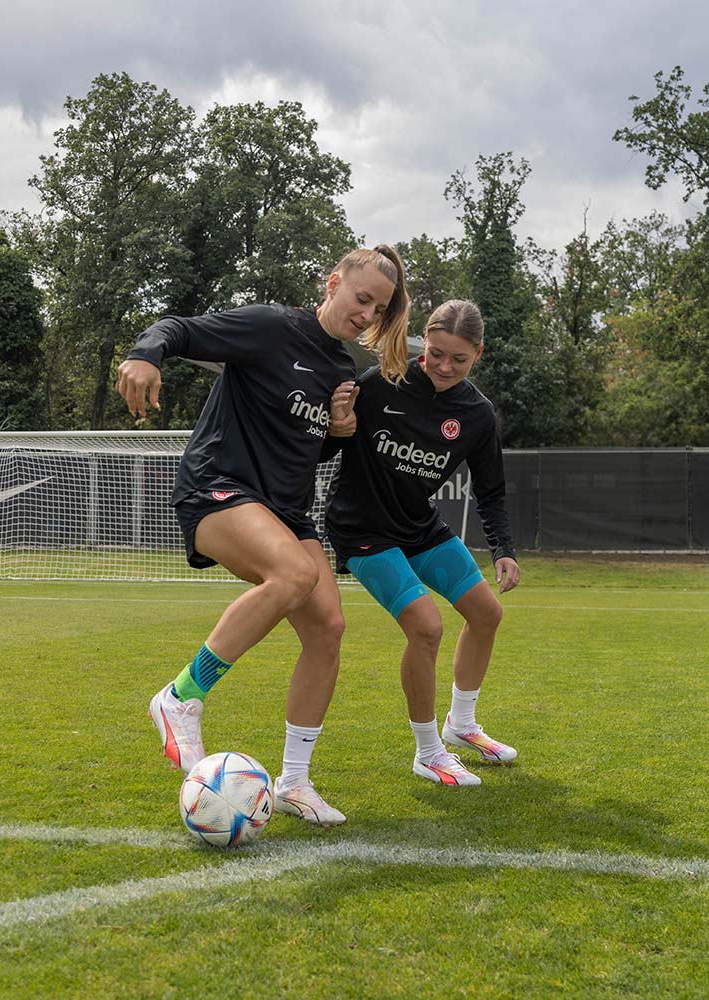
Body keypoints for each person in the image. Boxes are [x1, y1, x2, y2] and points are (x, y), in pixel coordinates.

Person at [116, 245, 409, 826]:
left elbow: (312, 446)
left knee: (328, 629)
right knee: (295, 575)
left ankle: (295, 782)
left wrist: (340, 431)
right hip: (218, 488)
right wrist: (145, 355)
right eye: (361, 297)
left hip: (286, 511)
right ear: (333, 282)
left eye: (377, 308)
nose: (366, 313)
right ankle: (181, 697)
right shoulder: (271, 328)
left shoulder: (342, 370)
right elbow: (178, 328)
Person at [325, 299, 519, 787]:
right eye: (436, 353)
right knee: (426, 627)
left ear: (479, 353)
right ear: (423, 343)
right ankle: (428, 751)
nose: (444, 367)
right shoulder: (379, 384)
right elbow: (325, 445)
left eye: (458, 358)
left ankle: (462, 725)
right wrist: (336, 425)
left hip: (418, 527)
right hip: (361, 529)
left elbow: (491, 491)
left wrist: (504, 550)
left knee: (487, 613)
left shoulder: (477, 414)